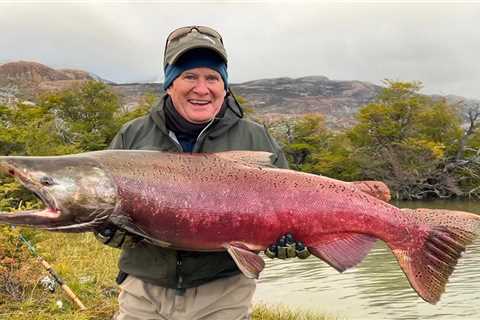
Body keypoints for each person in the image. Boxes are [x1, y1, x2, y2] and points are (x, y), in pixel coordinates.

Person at [96, 26, 309, 320]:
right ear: (169, 83)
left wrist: (289, 240)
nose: (201, 88)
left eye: (212, 78)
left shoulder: (255, 138)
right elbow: (104, 207)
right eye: (189, 76)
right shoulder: (132, 136)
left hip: (225, 293)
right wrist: (107, 230)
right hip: (143, 291)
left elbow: (292, 206)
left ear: (224, 86)